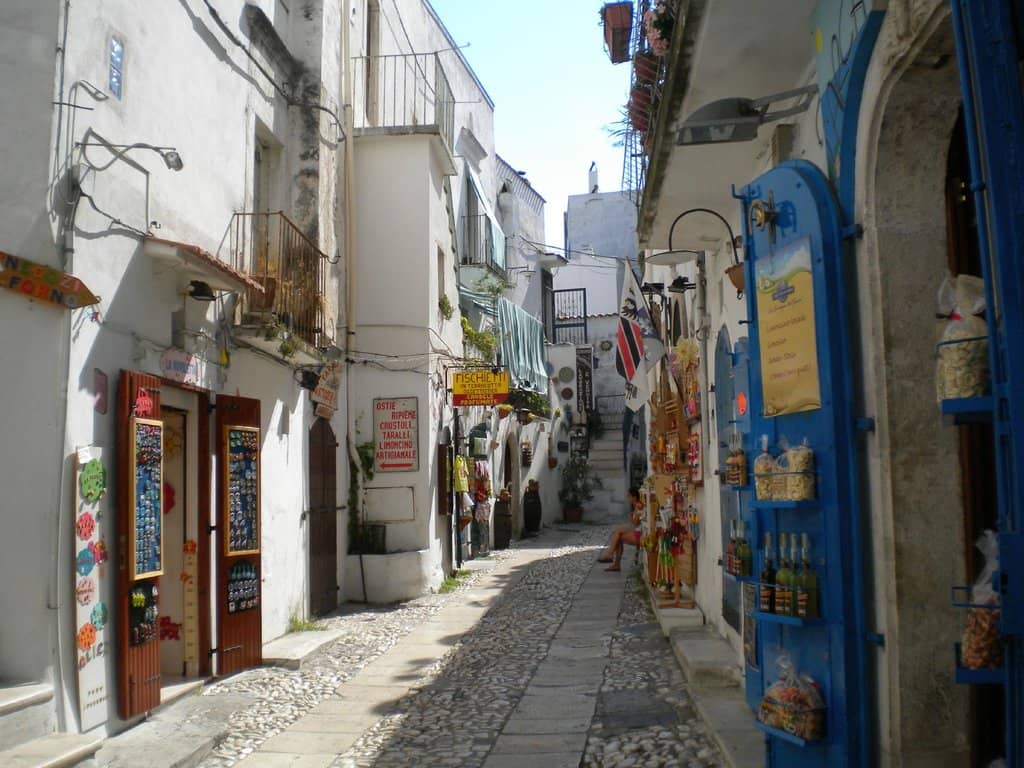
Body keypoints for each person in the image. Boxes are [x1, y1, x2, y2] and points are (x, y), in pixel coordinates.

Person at [597, 486, 643, 571]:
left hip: (639, 534)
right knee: (618, 531)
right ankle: (612, 558)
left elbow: (636, 523)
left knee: (618, 536)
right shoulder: (636, 505)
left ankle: (612, 558)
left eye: (629, 496)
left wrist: (630, 517)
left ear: (634, 497)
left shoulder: (638, 506)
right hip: (638, 531)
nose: (627, 497)